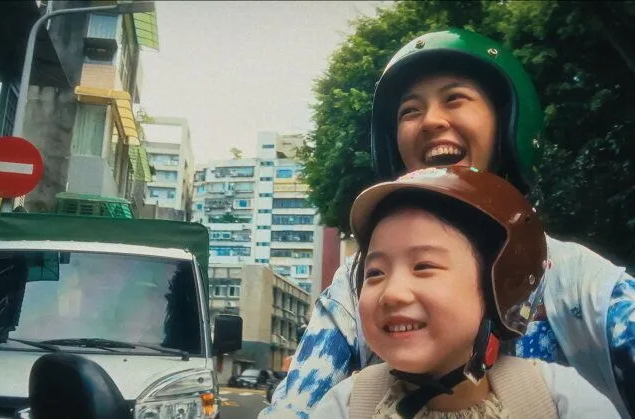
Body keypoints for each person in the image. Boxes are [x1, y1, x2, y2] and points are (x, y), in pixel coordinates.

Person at [261, 28, 634, 418]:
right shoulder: (353, 292)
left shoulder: (578, 283)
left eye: (455, 98)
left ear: (507, 125)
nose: (430, 121)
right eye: (410, 110)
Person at [310, 165, 619, 418]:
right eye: (375, 273)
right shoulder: (347, 407)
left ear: (499, 286)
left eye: (424, 266)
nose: (391, 294)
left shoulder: (557, 401)